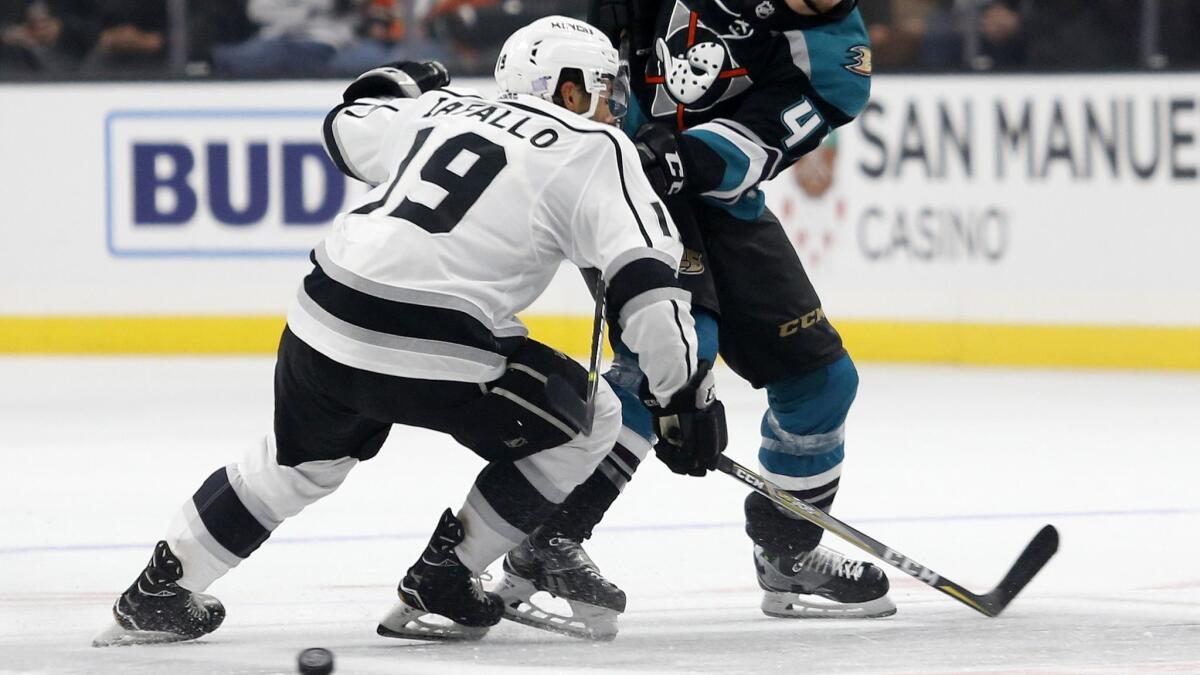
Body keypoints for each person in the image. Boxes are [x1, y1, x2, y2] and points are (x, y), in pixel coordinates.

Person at [93, 15, 727, 646]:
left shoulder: (440, 109)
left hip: (322, 314)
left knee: (296, 465)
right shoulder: (597, 148)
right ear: (564, 89)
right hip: (434, 343)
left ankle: (157, 594)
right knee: (592, 421)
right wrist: (681, 397)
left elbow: (344, 126)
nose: (611, 107)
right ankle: (446, 576)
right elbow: (649, 296)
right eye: (601, 89)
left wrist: (395, 83)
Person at [492, 0, 895, 640]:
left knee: (821, 382)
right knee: (676, 353)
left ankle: (787, 550)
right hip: (624, 192)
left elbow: (760, 139)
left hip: (718, 200)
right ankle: (545, 540)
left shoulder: (837, 61)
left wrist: (679, 156)